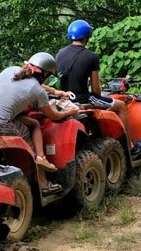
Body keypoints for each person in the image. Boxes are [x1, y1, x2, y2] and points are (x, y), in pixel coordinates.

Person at [0, 52, 80, 194]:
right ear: (45, 75)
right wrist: (69, 112)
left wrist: (55, 91)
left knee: (16, 121)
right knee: (34, 125)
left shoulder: (11, 70)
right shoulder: (37, 91)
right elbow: (53, 115)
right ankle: (42, 175)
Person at [56, 20, 135, 153]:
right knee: (121, 106)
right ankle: (130, 145)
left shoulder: (60, 54)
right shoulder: (91, 56)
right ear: (87, 36)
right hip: (82, 99)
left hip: (64, 100)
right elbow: (96, 90)